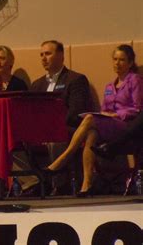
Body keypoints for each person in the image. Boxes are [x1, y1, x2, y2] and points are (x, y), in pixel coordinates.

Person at [45, 44, 143, 197]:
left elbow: (137, 109)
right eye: (115, 59)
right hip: (109, 124)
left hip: (126, 126)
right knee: (91, 133)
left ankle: (64, 158)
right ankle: (86, 185)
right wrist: (105, 114)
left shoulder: (135, 80)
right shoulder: (110, 85)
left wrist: (116, 115)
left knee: (90, 119)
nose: (117, 63)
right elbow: (105, 108)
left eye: (122, 60)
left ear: (130, 63)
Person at [17, 40, 92, 196]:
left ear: (61, 56)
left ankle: (60, 185)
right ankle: (32, 183)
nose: (44, 58)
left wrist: (50, 129)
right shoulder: (37, 84)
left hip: (68, 130)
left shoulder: (75, 79)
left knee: (55, 138)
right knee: (12, 139)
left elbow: (76, 112)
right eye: (41, 55)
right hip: (42, 132)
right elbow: (31, 114)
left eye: (48, 54)